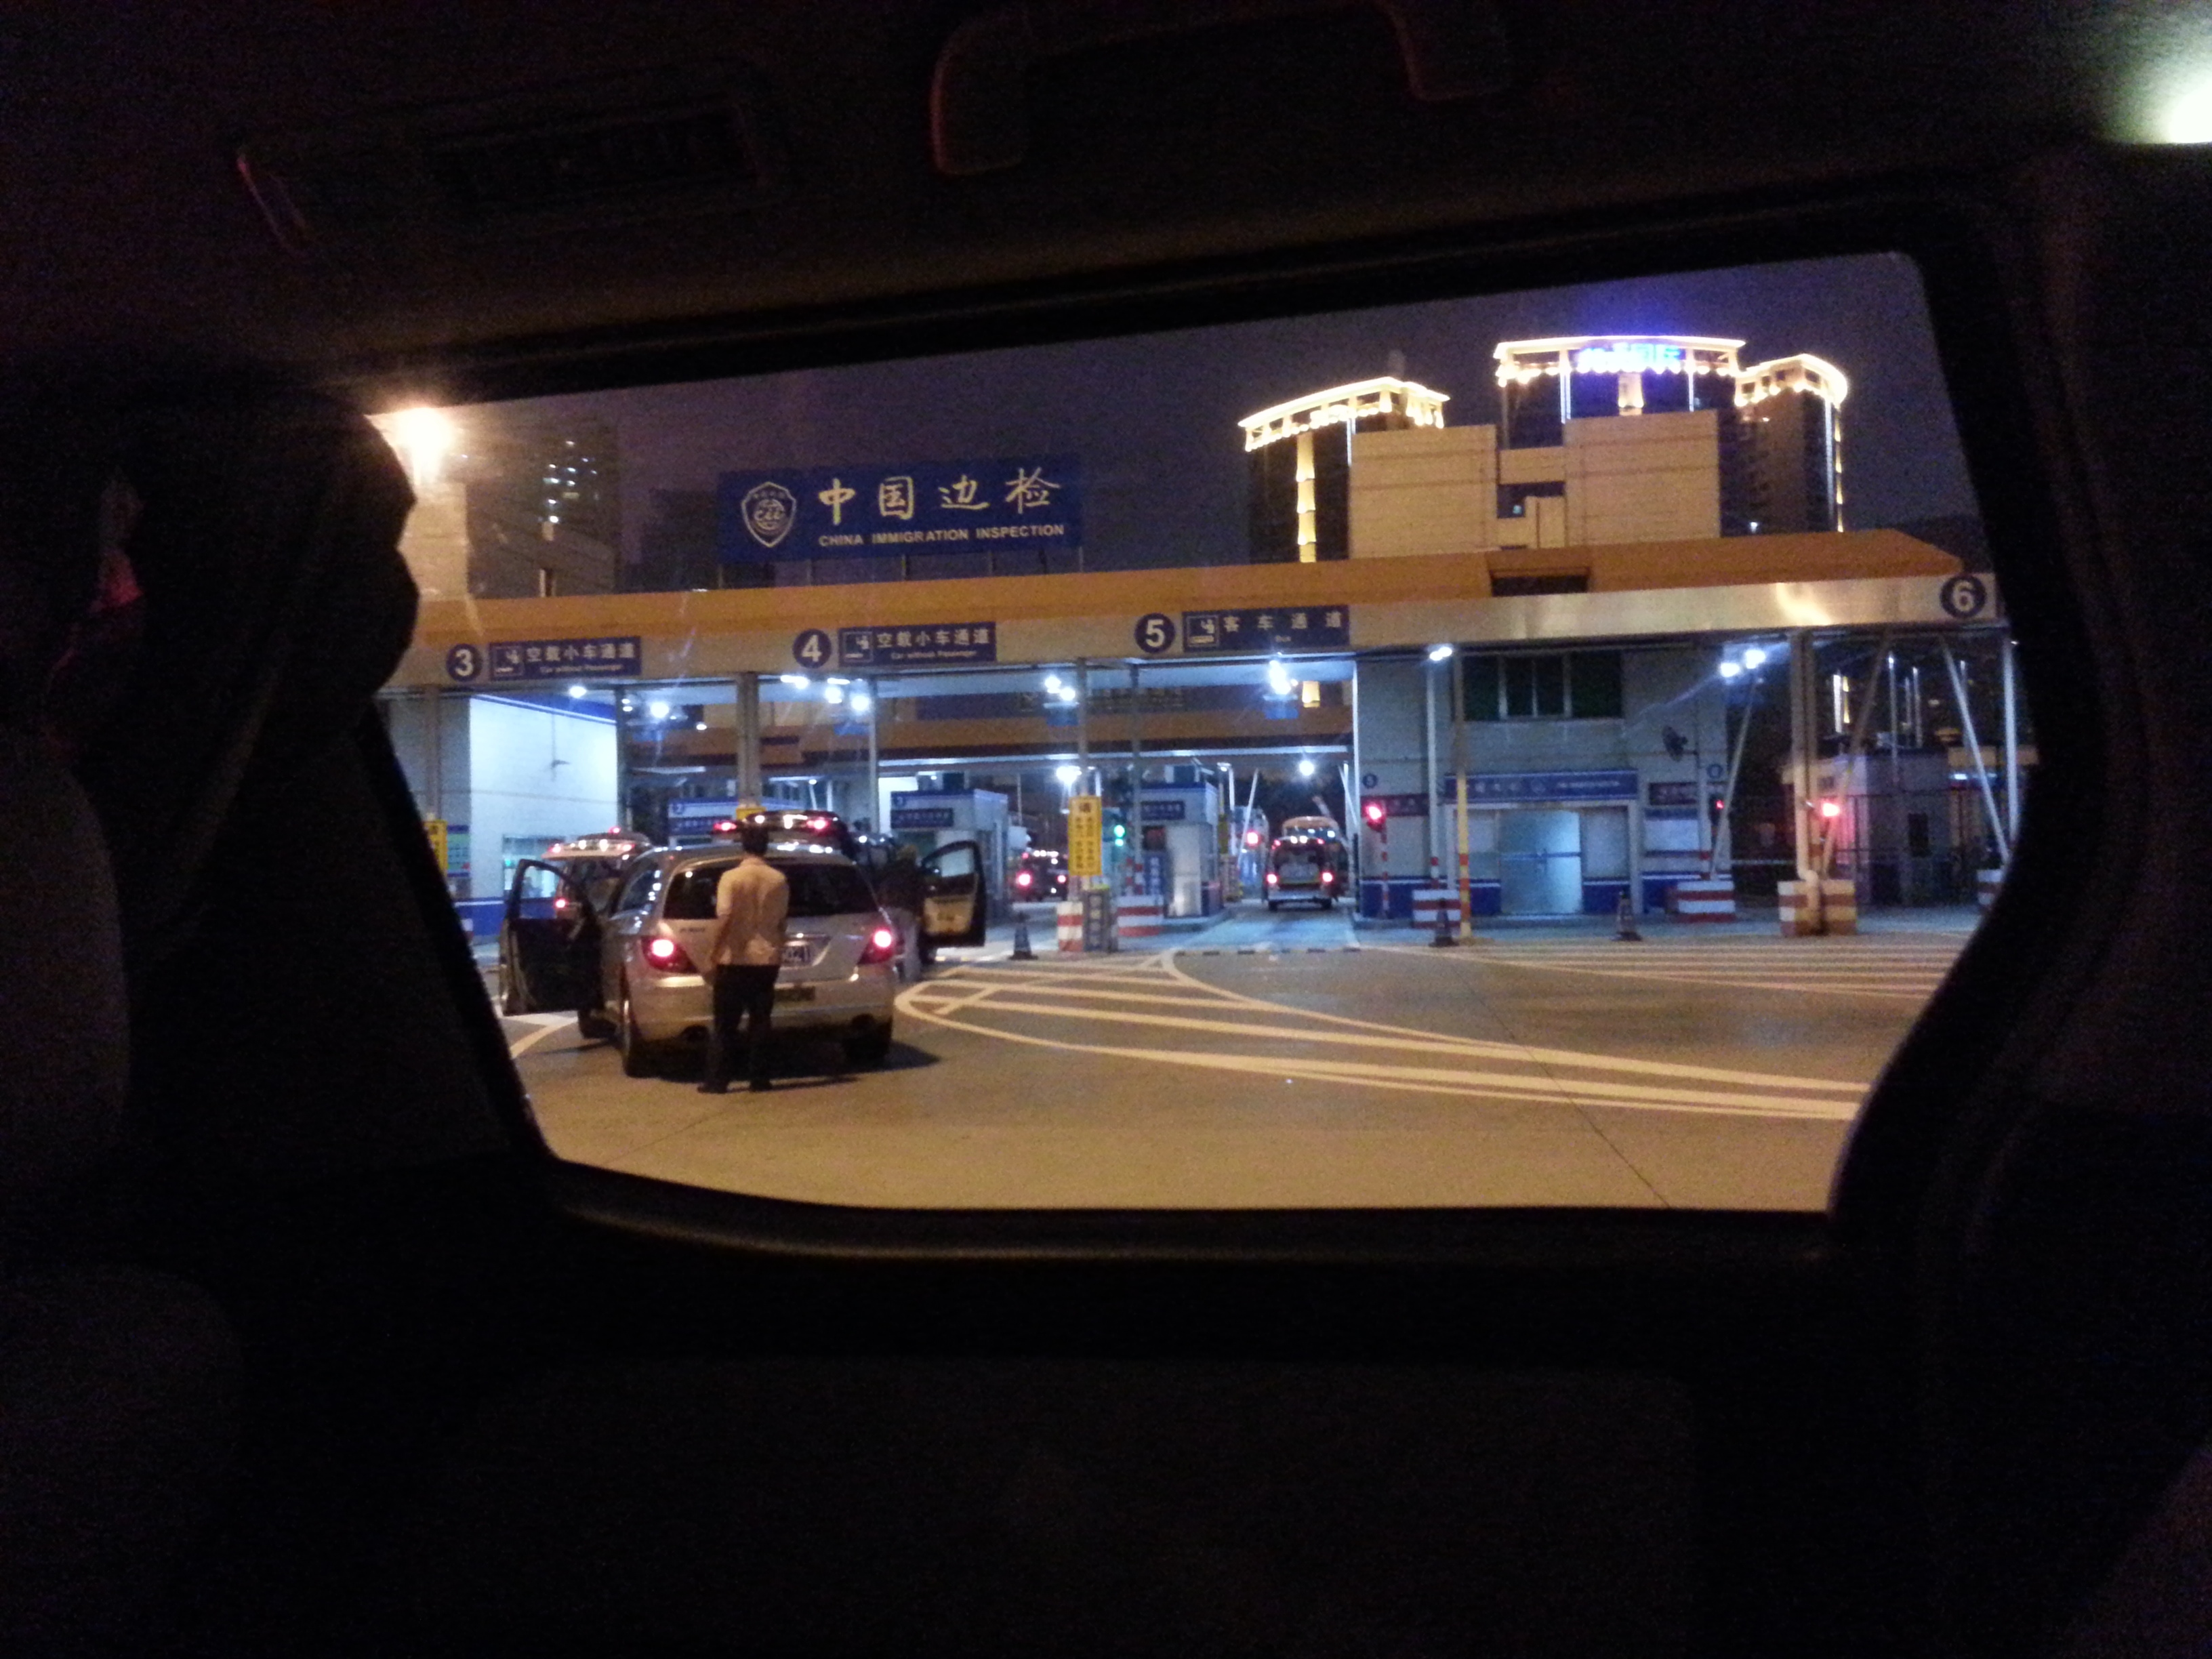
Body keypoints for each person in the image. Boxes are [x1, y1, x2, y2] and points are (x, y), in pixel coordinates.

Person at [699, 821, 790, 1094]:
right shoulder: (779, 880)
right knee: (761, 1021)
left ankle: (718, 1080)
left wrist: (713, 953)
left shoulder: (731, 878)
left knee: (726, 1024)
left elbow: (725, 916)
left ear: (743, 846)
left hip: (734, 959)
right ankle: (760, 1079)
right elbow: (781, 921)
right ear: (766, 847)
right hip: (766, 959)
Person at [876, 842, 925, 983]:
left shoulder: (889, 868)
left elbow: (879, 884)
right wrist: (920, 912)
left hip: (888, 907)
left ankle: (889, 975)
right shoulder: (915, 870)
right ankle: (912, 975)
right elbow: (920, 892)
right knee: (910, 943)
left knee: (890, 943)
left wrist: (880, 904)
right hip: (907, 908)